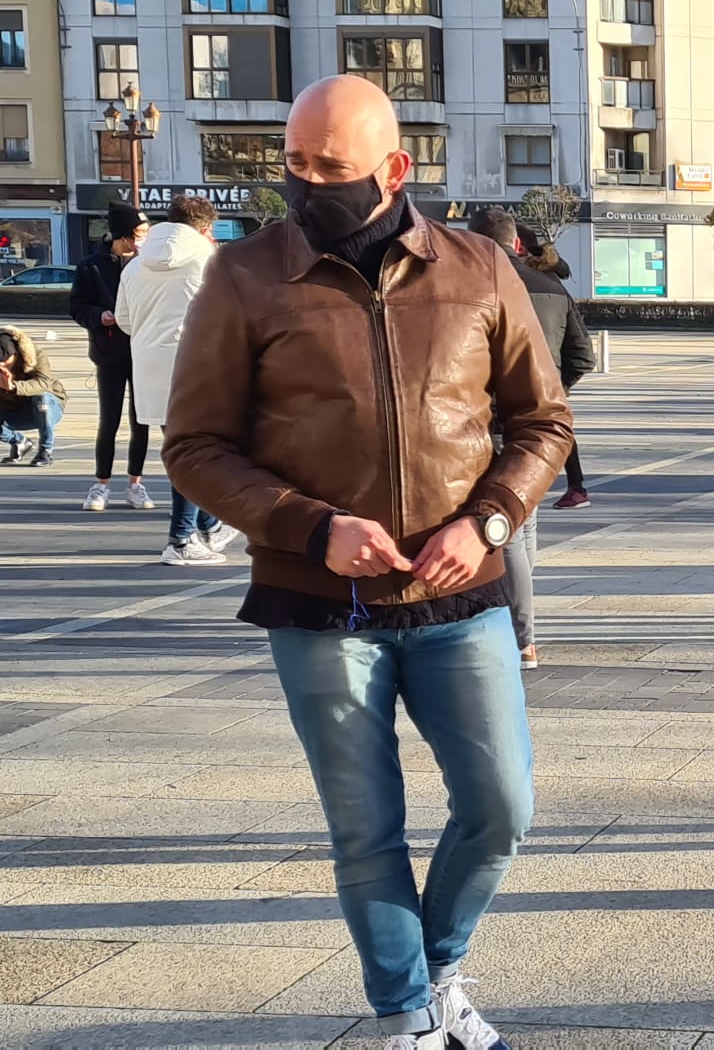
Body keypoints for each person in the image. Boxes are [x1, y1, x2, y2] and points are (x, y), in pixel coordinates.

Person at [163, 75, 571, 1050]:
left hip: (459, 596)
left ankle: (436, 973)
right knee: (366, 831)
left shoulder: (477, 269)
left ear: (395, 169)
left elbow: (543, 421)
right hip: (318, 607)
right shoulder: (245, 276)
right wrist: (310, 527)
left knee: (501, 807)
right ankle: (406, 1018)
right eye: (294, 163)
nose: (306, 183)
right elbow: (195, 447)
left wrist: (490, 523)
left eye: (329, 167)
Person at [469, 206, 596, 669]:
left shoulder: (477, 288)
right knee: (527, 525)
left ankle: (522, 637)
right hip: (540, 428)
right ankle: (520, 623)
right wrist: (551, 393)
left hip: (494, 427)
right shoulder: (552, 287)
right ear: (517, 244)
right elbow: (582, 357)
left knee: (508, 533)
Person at [116, 193, 240, 566]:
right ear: (205, 228)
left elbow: (124, 319)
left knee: (183, 449)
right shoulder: (209, 261)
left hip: (151, 370)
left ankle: (209, 525)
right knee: (197, 456)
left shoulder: (134, 266)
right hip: (195, 367)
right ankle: (183, 538)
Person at [68, 201, 156, 512]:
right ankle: (101, 484)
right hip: (108, 354)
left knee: (141, 421)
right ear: (124, 235)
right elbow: (76, 306)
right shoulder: (91, 266)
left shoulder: (149, 265)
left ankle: (136, 484)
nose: (144, 238)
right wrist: (98, 315)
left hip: (144, 352)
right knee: (109, 421)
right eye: (140, 233)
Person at [523, 238, 594, 510]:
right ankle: (577, 488)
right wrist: (561, 384)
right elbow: (583, 354)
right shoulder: (557, 288)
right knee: (558, 430)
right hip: (550, 381)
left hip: (507, 380)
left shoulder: (506, 283)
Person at [0, 325, 64, 465]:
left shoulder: (35, 355)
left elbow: (43, 383)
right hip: (14, 409)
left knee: (41, 398)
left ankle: (45, 449)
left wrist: (14, 386)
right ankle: (19, 442)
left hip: (49, 408)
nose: (2, 364)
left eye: (6, 360)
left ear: (15, 354)